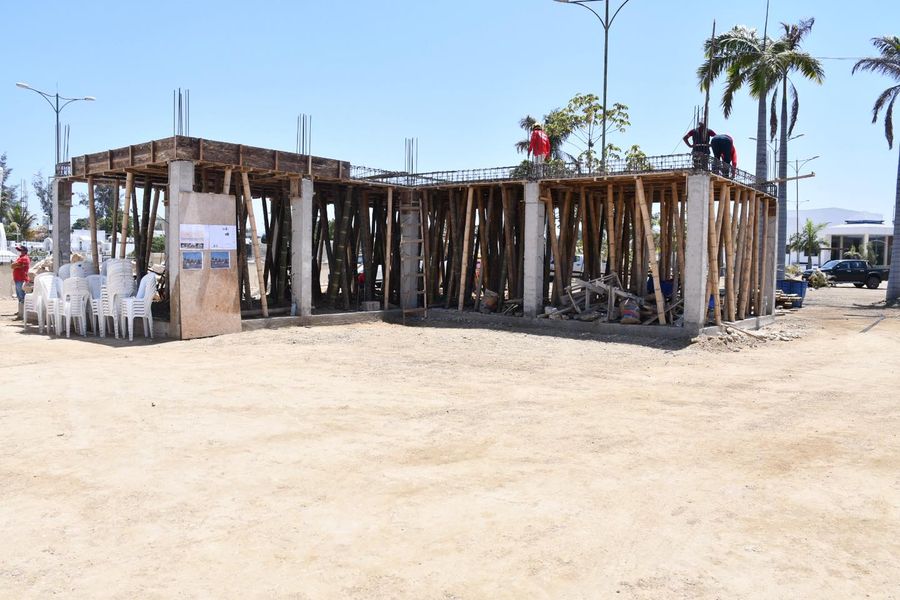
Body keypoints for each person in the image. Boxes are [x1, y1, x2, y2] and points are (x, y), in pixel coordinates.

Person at [11, 245, 31, 320]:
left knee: (22, 296)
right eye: (20, 250)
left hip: (21, 279)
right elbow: (13, 266)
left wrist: (15, 264)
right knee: (19, 296)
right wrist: (15, 265)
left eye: (22, 250)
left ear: (25, 251)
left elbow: (15, 265)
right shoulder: (20, 258)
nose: (20, 252)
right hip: (18, 279)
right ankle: (21, 311)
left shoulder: (25, 258)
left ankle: (23, 314)